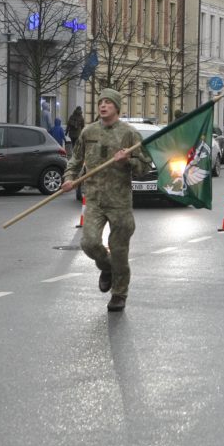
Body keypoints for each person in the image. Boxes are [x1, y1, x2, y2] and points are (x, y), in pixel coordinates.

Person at [61, 88, 151, 312]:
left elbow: (144, 168)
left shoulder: (129, 134)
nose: (103, 106)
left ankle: (119, 294)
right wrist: (69, 178)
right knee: (89, 243)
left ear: (117, 108)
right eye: (100, 102)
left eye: (108, 103)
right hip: (94, 199)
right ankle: (107, 266)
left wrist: (127, 160)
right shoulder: (88, 132)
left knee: (119, 250)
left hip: (119, 201)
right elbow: (75, 159)